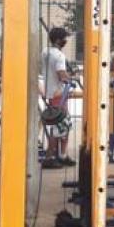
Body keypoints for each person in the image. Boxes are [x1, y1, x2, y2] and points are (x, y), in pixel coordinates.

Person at [40, 26, 74, 168]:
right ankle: (49, 158)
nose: (66, 40)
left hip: (50, 93)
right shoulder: (59, 56)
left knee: (64, 126)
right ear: (59, 40)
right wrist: (71, 77)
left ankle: (62, 155)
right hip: (59, 95)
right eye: (64, 38)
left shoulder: (45, 52)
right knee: (58, 128)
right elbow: (62, 75)